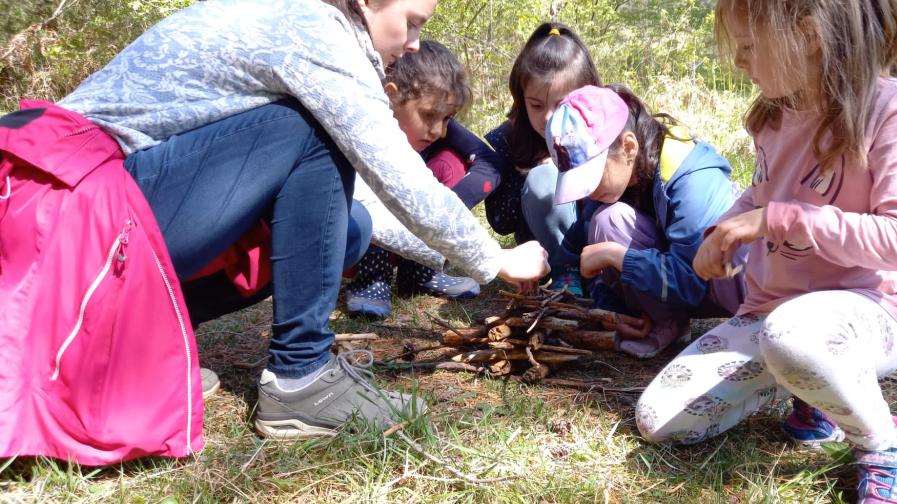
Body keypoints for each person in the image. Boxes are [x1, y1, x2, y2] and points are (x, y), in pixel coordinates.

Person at [58, 0, 549, 440]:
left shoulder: (303, 25)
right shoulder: (317, 32)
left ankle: (143, 339)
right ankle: (301, 375)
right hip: (79, 203)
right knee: (316, 127)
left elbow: (369, 205)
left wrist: (464, 258)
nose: (415, 42)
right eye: (412, 22)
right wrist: (495, 259)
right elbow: (400, 177)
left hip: (110, 206)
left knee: (352, 228)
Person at [635, 1, 897, 502]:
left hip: (871, 313)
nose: (739, 60)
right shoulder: (776, 114)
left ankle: (886, 448)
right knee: (661, 420)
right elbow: (760, 194)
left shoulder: (892, 110)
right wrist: (723, 229)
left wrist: (780, 219)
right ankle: (816, 394)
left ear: (809, 34)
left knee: (794, 337)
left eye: (748, 46)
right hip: (772, 318)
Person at [544, 85, 746, 359]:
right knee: (607, 220)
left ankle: (738, 326)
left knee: (609, 223)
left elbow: (693, 282)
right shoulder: (608, 187)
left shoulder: (693, 180)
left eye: (592, 177)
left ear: (628, 146)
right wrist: (613, 312)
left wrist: (617, 256)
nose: (588, 193)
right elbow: (583, 263)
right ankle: (664, 323)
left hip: (725, 281)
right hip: (681, 281)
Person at [346, 39, 504, 319]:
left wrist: (444, 212)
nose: (438, 130)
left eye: (447, 118)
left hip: (418, 233)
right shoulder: (364, 126)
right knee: (378, 183)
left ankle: (419, 272)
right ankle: (372, 276)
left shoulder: (435, 125)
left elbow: (490, 163)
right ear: (391, 96)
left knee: (451, 160)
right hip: (357, 234)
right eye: (430, 115)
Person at [483, 22, 601, 296]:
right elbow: (501, 222)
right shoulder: (507, 138)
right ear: (520, 98)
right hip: (543, 254)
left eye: (561, 105)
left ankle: (601, 274)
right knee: (543, 178)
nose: (548, 117)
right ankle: (566, 272)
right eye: (536, 105)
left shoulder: (603, 130)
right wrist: (531, 174)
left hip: (596, 238)